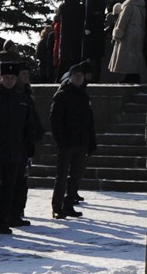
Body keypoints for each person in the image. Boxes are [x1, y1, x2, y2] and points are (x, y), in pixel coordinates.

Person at [0, 58, 44, 236]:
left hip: (15, 154)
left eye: (12, 78)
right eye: (6, 77)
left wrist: (29, 149)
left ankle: (2, 222)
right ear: (0, 79)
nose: (9, 81)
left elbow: (30, 127)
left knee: (8, 190)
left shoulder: (22, 100)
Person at [50, 59, 97, 218]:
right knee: (62, 176)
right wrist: (60, 140)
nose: (78, 78)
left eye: (81, 76)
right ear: (70, 77)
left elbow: (90, 121)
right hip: (67, 142)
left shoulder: (84, 96)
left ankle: (68, 204)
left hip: (81, 142)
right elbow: (55, 120)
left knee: (75, 176)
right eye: (75, 75)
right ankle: (57, 207)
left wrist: (91, 141)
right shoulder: (62, 95)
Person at [109, 0, 147, 84]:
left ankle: (129, 76)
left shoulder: (129, 6)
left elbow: (122, 21)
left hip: (128, 34)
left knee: (126, 55)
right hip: (138, 33)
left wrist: (117, 34)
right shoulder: (142, 6)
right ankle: (134, 75)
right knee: (135, 55)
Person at [83, 0, 111, 79]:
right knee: (98, 56)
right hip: (99, 26)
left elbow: (89, 12)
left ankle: (91, 76)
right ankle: (96, 76)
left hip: (93, 27)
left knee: (91, 54)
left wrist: (88, 27)